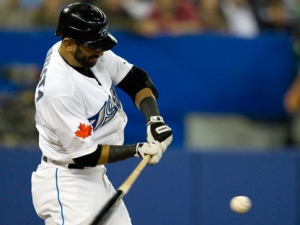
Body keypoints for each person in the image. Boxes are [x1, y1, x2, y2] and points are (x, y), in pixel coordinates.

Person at [31, 2, 173, 225]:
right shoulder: (60, 91)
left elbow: (136, 79)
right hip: (67, 182)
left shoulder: (84, 53)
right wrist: (136, 149)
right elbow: (85, 154)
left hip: (92, 175)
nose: (101, 51)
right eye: (93, 46)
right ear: (68, 43)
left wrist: (154, 120)